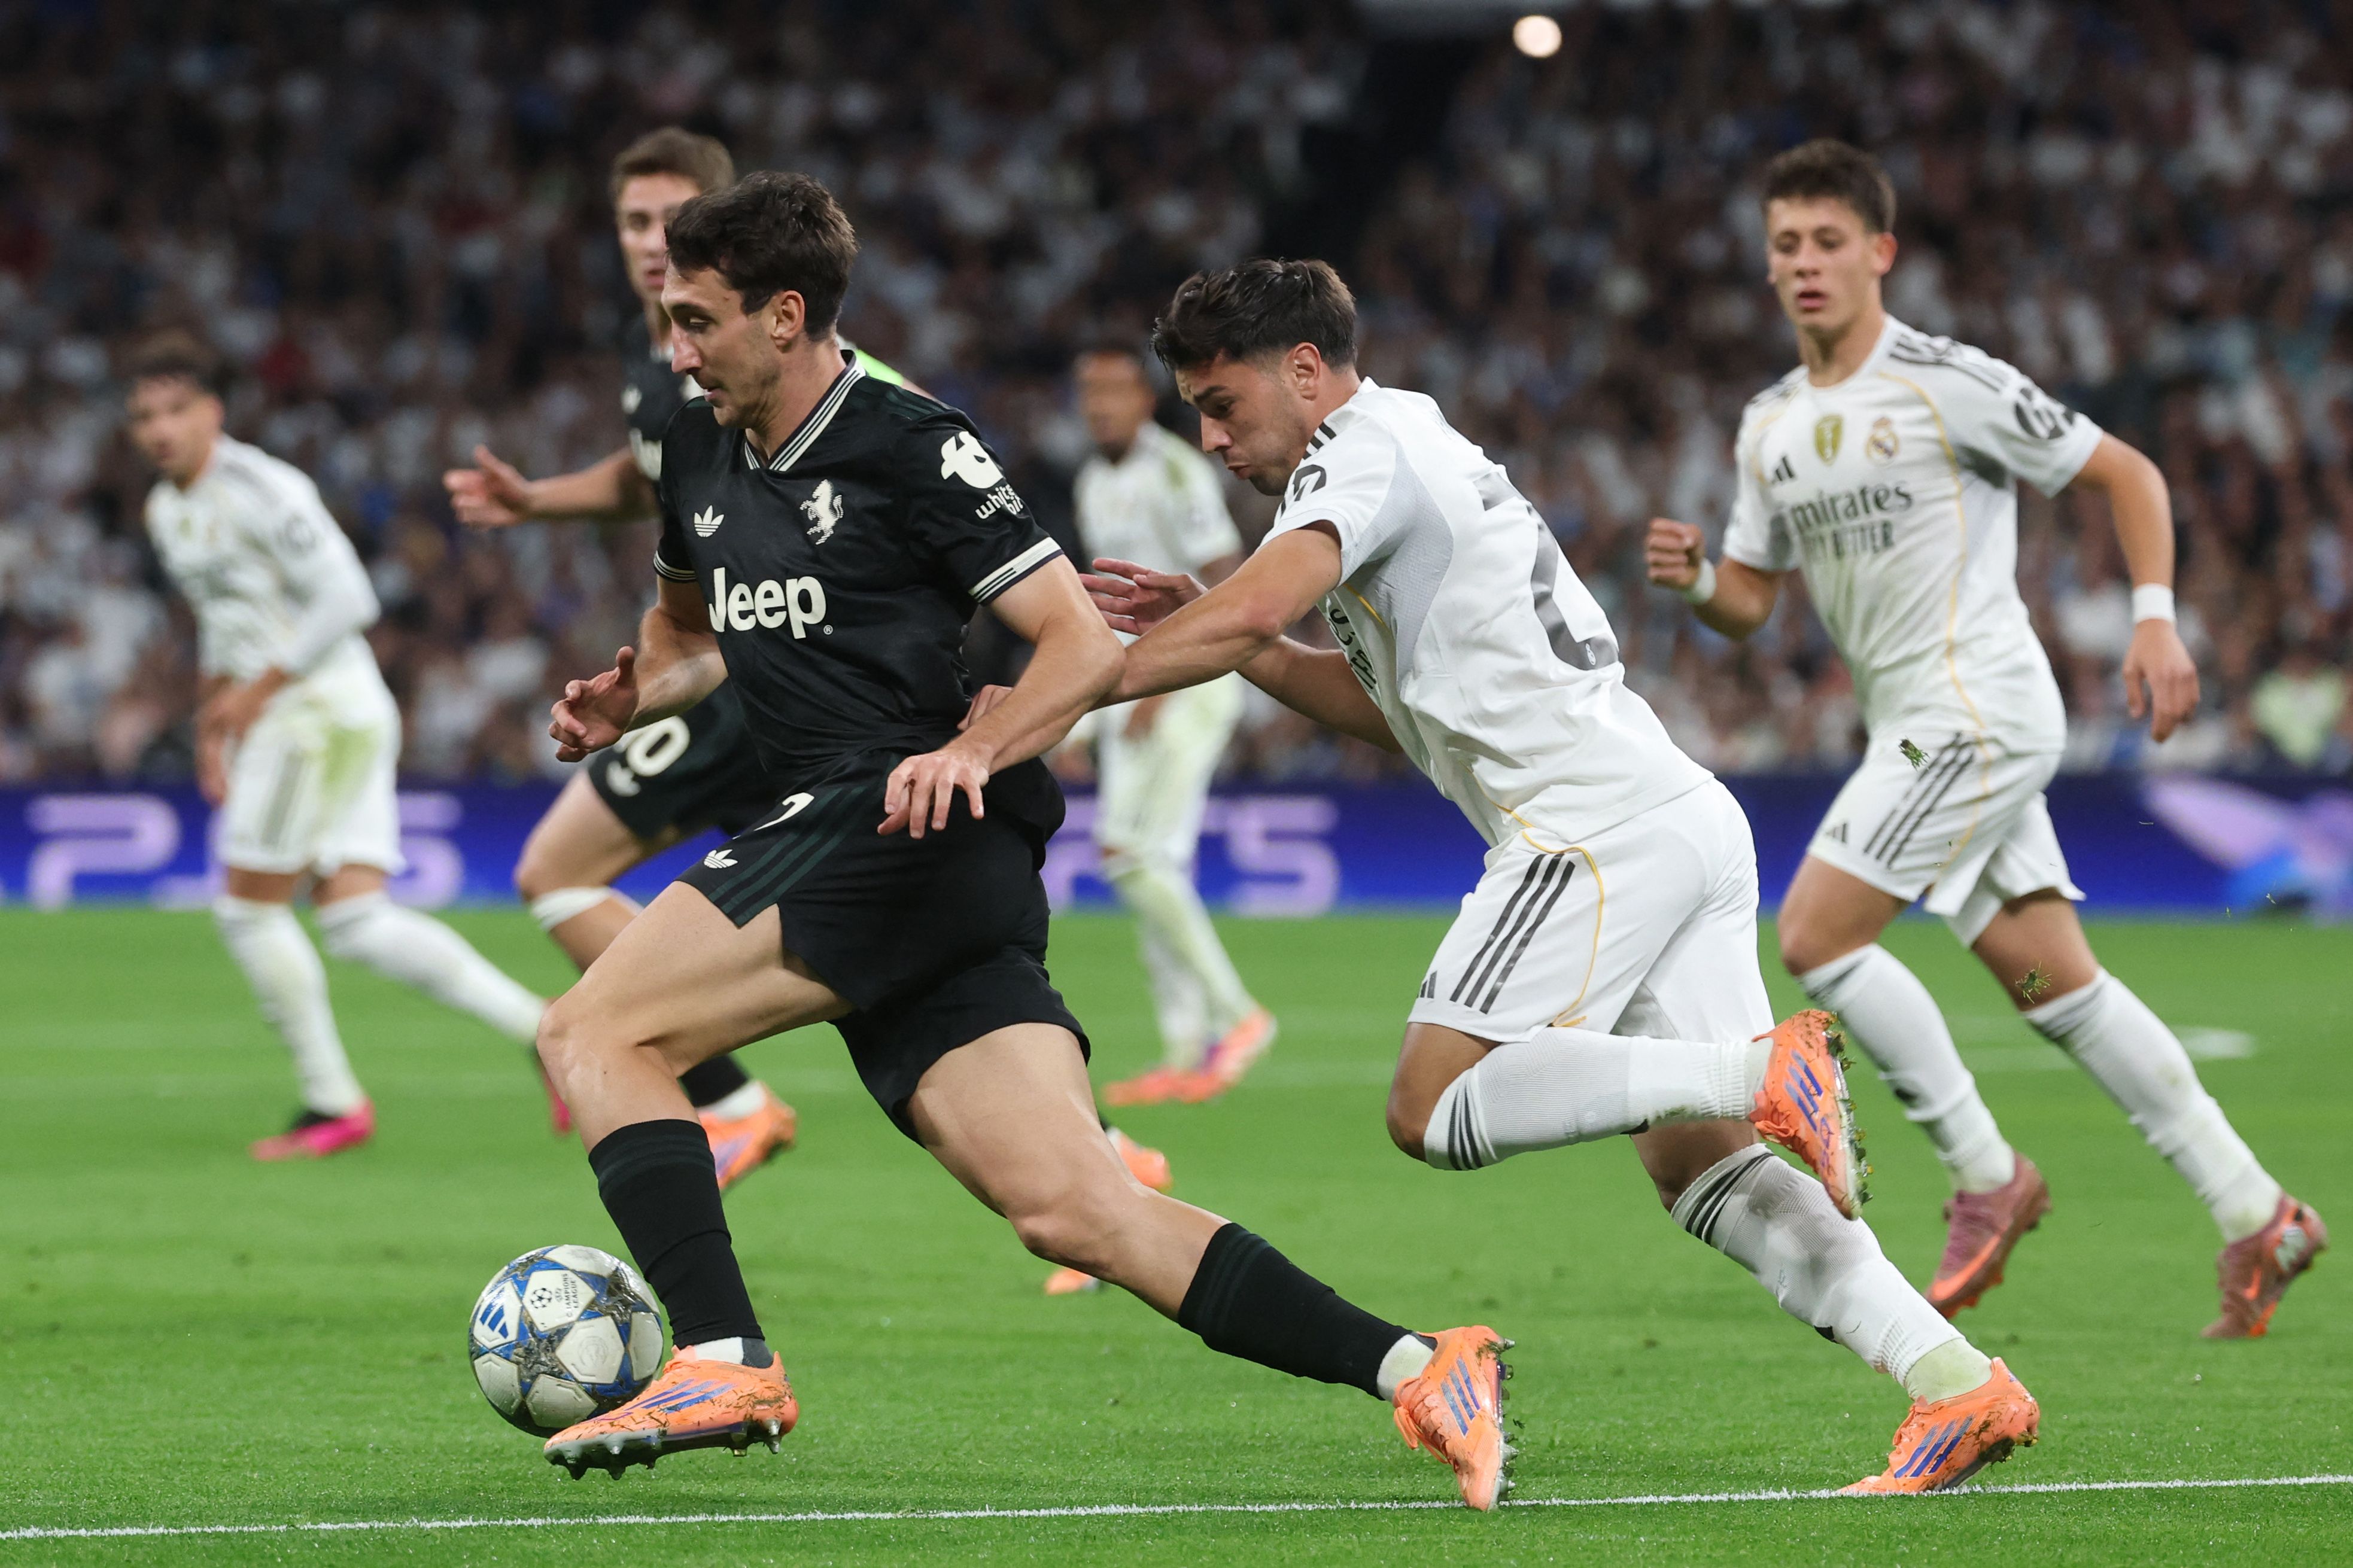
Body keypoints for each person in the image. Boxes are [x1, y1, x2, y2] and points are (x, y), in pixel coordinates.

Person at [528, 173, 1513, 1511]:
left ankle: (721, 1352)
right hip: (913, 860)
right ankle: (1417, 1361)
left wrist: (972, 748)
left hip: (890, 819)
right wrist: (630, 688)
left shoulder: (911, 444)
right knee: (1077, 1208)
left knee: (593, 1032)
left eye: (698, 320)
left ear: (786, 313)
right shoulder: (696, 450)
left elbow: (1078, 638)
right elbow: (691, 632)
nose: (678, 349)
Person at [1072, 257, 2034, 1494]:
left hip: (1585, 826)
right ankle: (1956, 1382)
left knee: (1431, 1107)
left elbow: (1269, 594)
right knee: (1700, 1166)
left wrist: (1090, 670)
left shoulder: (1355, 456)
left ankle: (1764, 1069)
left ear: (1303, 371)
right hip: (1670, 810)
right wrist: (1239, 638)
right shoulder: (1407, 444)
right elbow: (1388, 712)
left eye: (1222, 403)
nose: (1209, 437)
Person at [1644, 139, 2325, 1339]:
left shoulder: (1946, 381)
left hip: (1975, 706)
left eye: (1827, 242)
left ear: (1879, 254)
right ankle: (2256, 1207)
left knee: (1815, 930)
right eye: (1786, 246)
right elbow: (1751, 601)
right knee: (2059, 987)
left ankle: (1983, 1170)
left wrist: (2156, 624)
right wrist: (1701, 577)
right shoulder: (1769, 428)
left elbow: (2129, 474)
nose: (1805, 264)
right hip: (1916, 726)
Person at [440, 129, 808, 1185]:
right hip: (729, 672)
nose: (654, 242)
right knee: (897, 990)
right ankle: (732, 1096)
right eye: (634, 223)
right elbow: (652, 472)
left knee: (556, 871)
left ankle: (729, 1095)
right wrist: (536, 499)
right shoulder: (664, 355)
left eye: (675, 220)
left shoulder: (758, 353)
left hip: (767, 679)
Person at [126, 333, 551, 1159]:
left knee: (248, 909)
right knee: (356, 919)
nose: (160, 428)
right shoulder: (165, 508)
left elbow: (349, 596)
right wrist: (216, 723)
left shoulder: (260, 487)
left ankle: (331, 1102)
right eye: (145, 415)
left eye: (177, 409)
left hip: (312, 712)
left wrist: (256, 692)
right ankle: (545, 1033)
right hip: (305, 713)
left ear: (213, 411)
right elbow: (228, 626)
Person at [1070, 343, 1274, 1110]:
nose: (1097, 405)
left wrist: (1169, 674)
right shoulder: (1094, 478)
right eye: (1087, 390)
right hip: (1134, 688)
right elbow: (1105, 608)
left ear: (1144, 399)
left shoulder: (1178, 471)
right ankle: (1187, 1051)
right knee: (1156, 869)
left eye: (1113, 390)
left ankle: (1239, 1015)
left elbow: (1226, 577)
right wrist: (1082, 720)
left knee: (1126, 853)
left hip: (1187, 685)